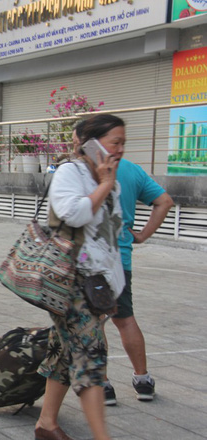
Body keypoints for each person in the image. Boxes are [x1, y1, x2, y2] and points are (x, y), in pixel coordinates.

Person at [35, 114, 126, 440]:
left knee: (65, 350)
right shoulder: (70, 173)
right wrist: (103, 185)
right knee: (91, 354)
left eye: (123, 143)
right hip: (69, 281)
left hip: (96, 284)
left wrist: (113, 287)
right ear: (91, 143)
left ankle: (46, 424)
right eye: (115, 142)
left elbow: (109, 235)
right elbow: (72, 214)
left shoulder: (108, 178)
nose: (119, 150)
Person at [101, 149, 174, 406]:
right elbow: (164, 201)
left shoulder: (87, 168)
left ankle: (103, 385)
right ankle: (142, 380)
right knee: (125, 319)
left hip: (93, 258)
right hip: (121, 258)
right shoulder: (132, 169)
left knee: (95, 323)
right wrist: (141, 234)